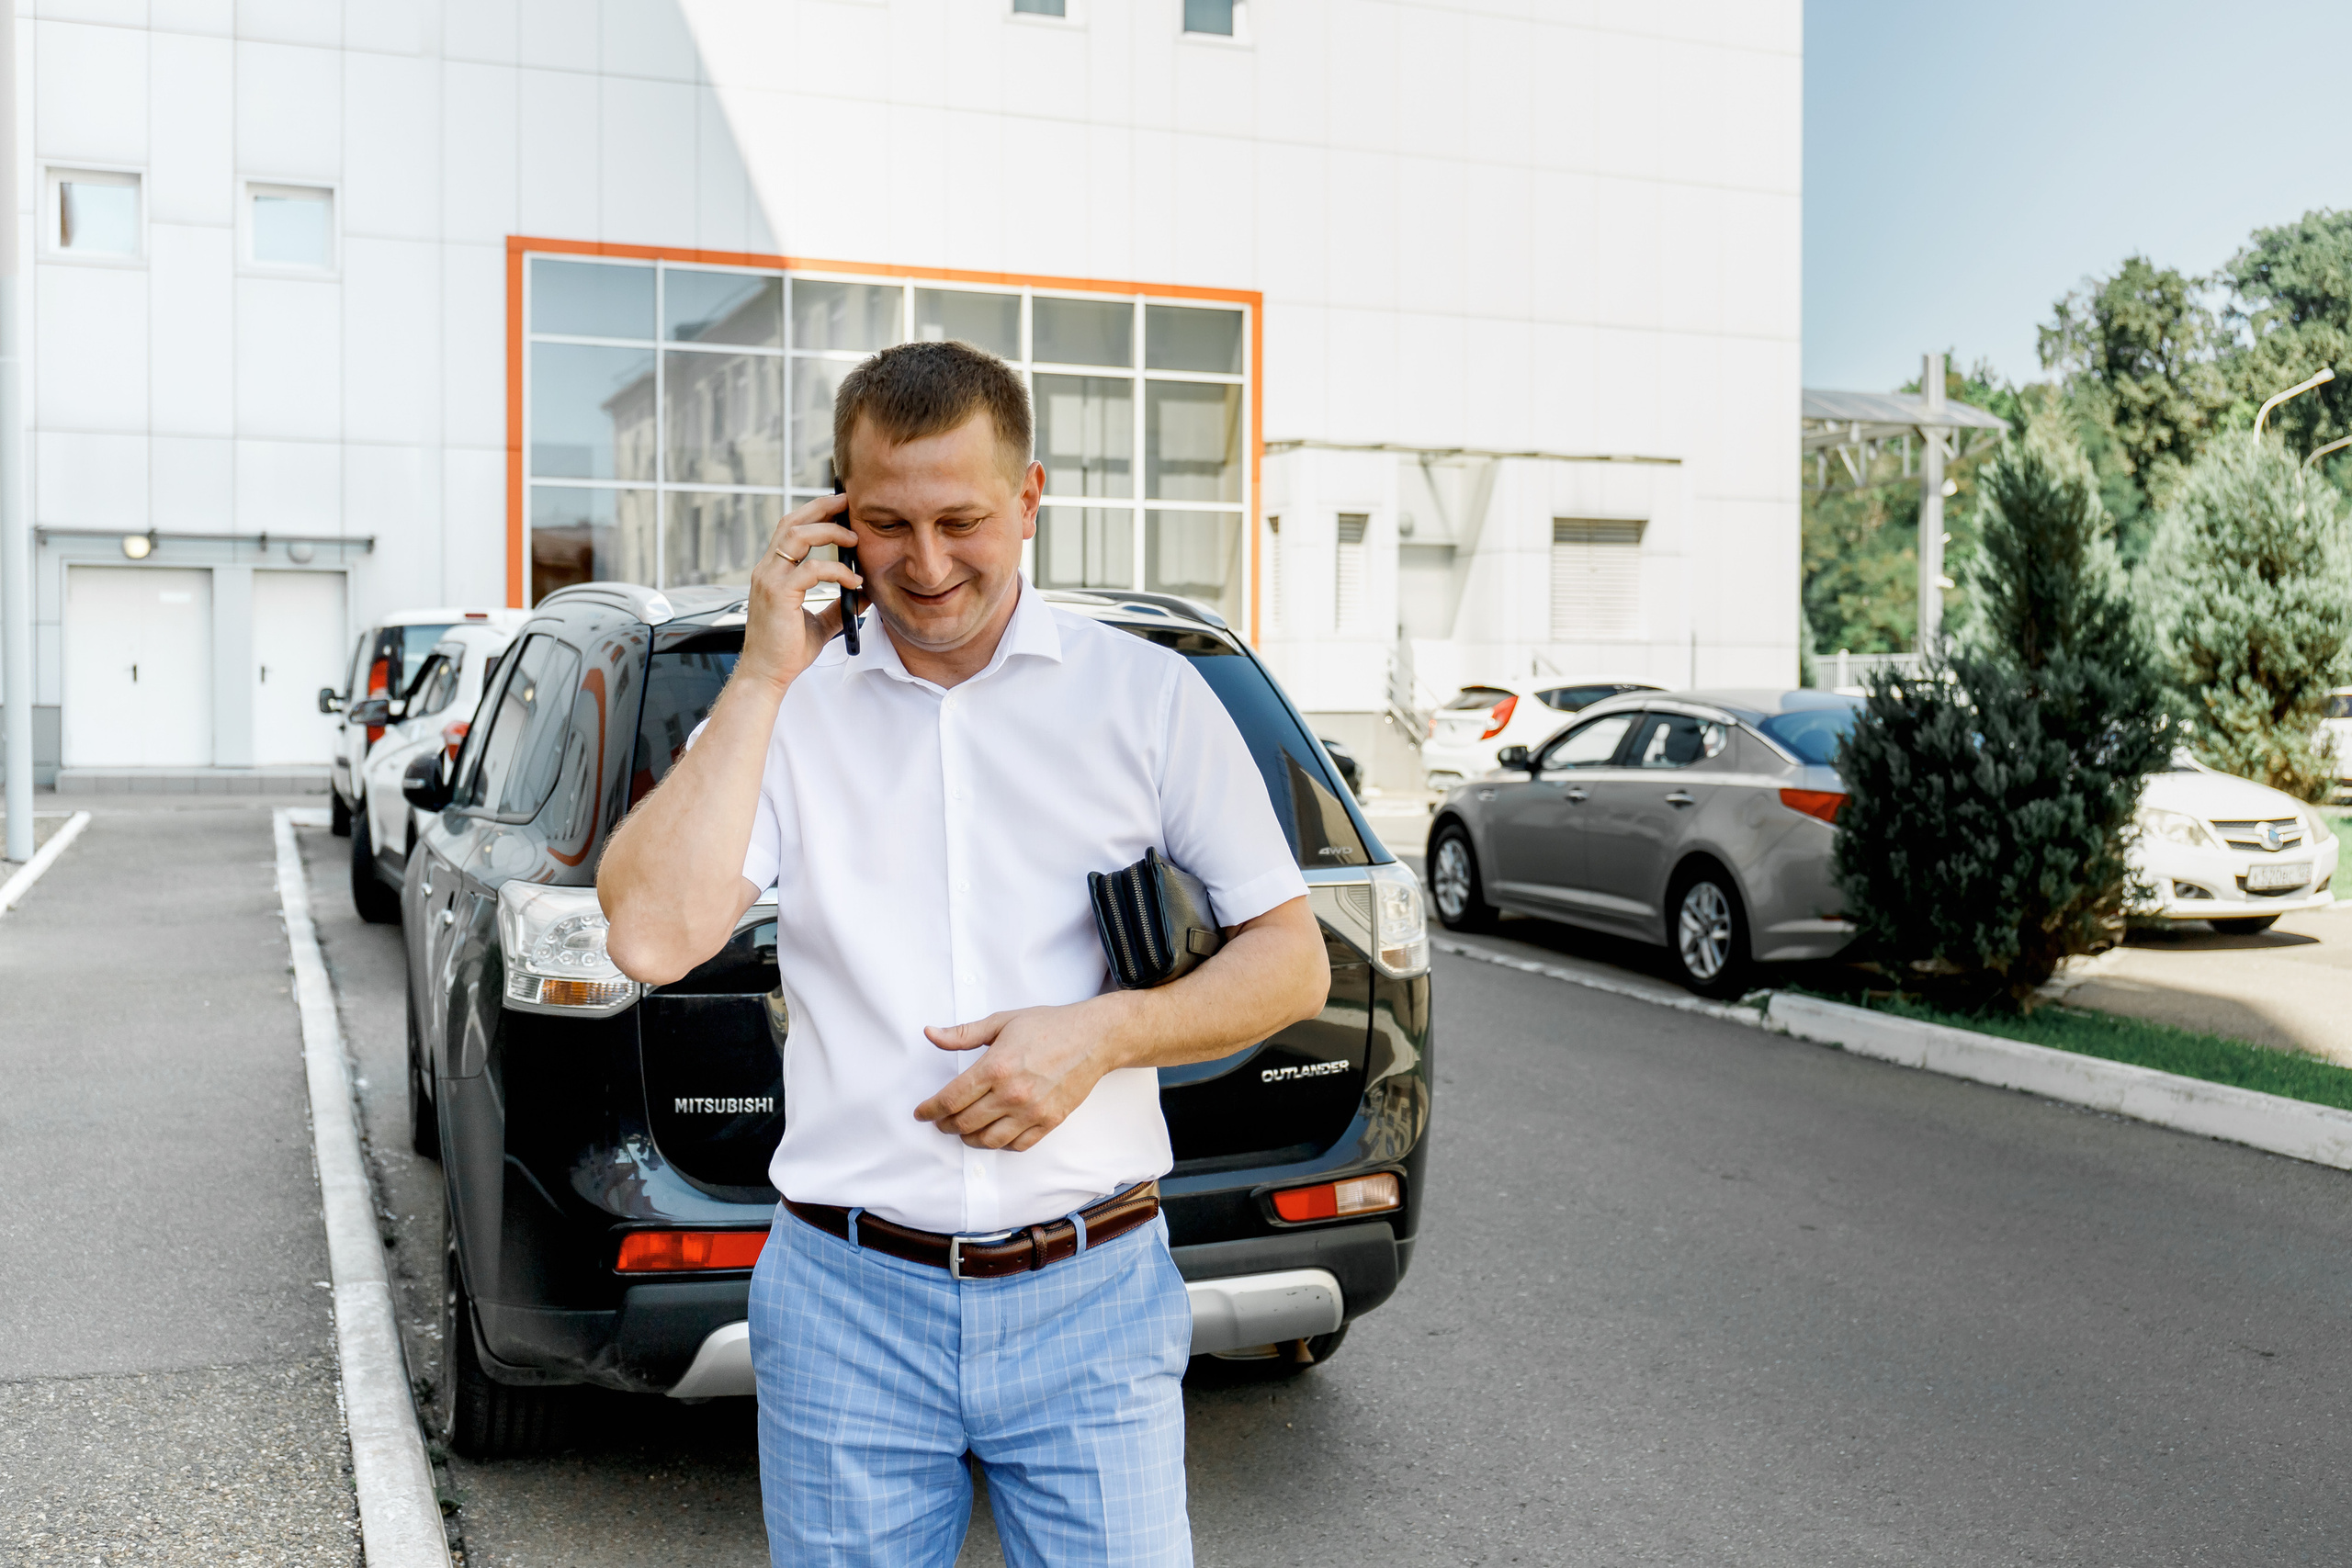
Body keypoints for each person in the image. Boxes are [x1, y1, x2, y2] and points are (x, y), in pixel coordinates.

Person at [596, 339, 1330, 1567]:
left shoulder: (1146, 699)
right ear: (835, 514)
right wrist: (765, 671)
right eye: (886, 524)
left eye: (963, 519)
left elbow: (1292, 959)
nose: (927, 565)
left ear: (1030, 498)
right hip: (846, 1305)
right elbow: (653, 934)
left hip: (1093, 1294)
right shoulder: (788, 712)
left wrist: (1103, 1034)